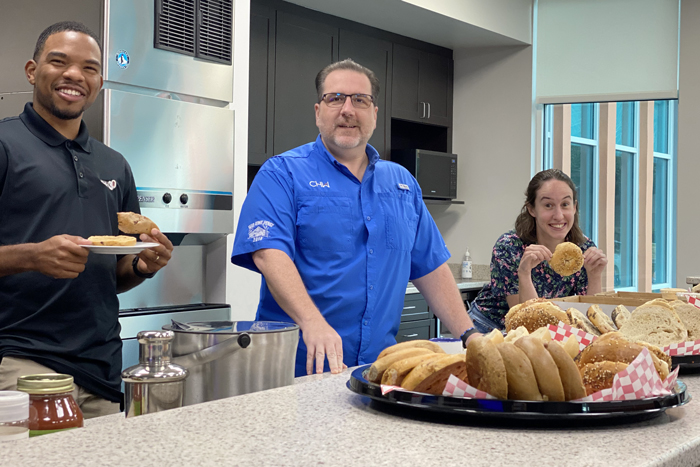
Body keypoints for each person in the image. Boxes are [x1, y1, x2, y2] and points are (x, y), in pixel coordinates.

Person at [231, 59, 479, 377]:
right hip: (294, 368)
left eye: (360, 100)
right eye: (335, 98)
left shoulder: (402, 184)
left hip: (373, 371)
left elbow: (431, 266)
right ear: (318, 111)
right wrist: (312, 321)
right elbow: (269, 254)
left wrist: (469, 335)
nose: (348, 109)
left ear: (374, 114)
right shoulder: (283, 173)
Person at [0, 21, 173, 418]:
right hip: (22, 363)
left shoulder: (115, 164)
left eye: (89, 68)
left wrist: (143, 266)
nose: (74, 75)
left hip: (102, 368)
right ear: (32, 70)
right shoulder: (6, 146)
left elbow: (115, 272)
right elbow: (30, 257)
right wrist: (31, 256)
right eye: (59, 61)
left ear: (98, 81)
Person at [469, 169, 608, 332]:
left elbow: (587, 319)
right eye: (548, 205)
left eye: (565, 204)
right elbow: (526, 320)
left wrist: (595, 276)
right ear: (532, 209)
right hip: (489, 327)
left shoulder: (583, 248)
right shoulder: (509, 248)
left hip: (549, 330)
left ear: (574, 207)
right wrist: (525, 272)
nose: (559, 215)